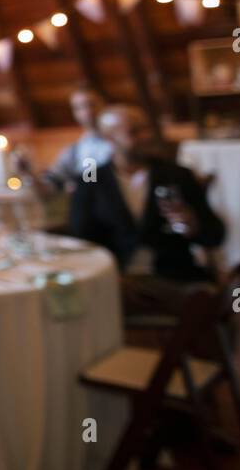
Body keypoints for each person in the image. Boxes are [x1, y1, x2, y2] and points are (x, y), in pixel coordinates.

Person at [69, 105, 225, 317]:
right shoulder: (91, 181)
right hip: (117, 280)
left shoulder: (177, 175)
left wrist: (193, 225)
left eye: (146, 129)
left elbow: (216, 235)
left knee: (199, 298)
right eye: (134, 131)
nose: (146, 136)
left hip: (173, 275)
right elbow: (82, 241)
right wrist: (110, 275)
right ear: (110, 139)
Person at [40, 85, 115, 191]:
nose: (86, 112)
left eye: (91, 105)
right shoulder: (76, 149)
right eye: (78, 108)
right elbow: (51, 180)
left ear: (104, 104)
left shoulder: (120, 141)